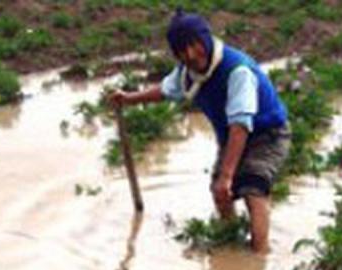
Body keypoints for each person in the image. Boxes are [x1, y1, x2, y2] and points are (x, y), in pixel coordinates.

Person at [109, 10, 291, 254]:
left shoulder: (237, 71)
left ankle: (259, 254)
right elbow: (165, 90)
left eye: (195, 47)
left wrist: (228, 175)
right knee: (219, 192)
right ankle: (231, 239)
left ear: (206, 40)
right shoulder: (187, 73)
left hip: (267, 133)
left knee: (253, 187)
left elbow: (240, 125)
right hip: (231, 135)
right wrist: (129, 98)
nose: (191, 56)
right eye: (182, 52)